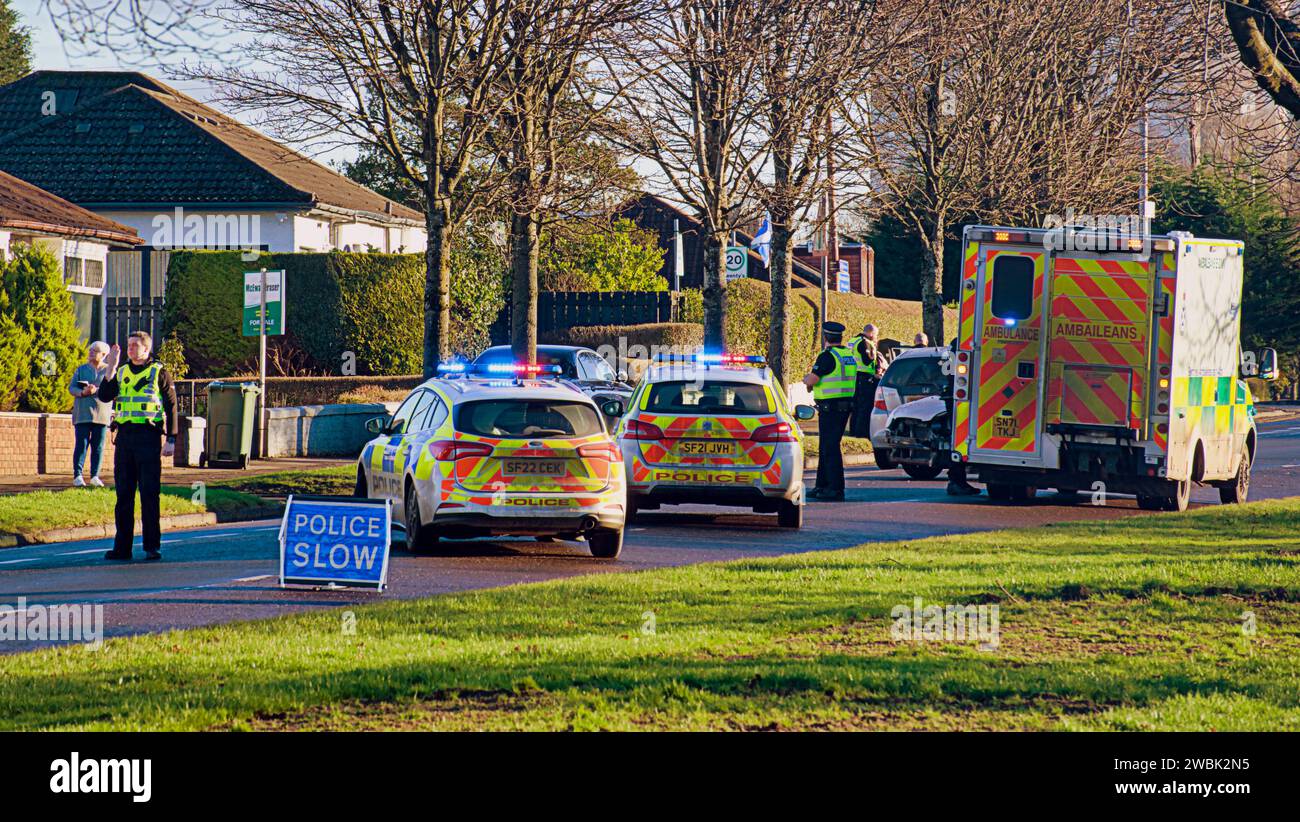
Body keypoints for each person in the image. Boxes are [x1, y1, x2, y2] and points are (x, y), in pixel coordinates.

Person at [96, 331, 178, 561]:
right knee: (123, 495)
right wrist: (110, 369)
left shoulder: (158, 371)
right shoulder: (121, 371)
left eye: (135, 345)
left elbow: (171, 405)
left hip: (149, 437)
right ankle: (122, 548)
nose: (130, 348)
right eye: (128, 345)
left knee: (149, 494)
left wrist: (171, 438)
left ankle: (152, 546)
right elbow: (104, 396)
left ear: (146, 349)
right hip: (125, 438)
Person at [802, 322, 857, 501]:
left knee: (830, 447)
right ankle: (822, 485)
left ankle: (835, 488)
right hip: (844, 407)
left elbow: (813, 378)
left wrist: (806, 380)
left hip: (831, 409)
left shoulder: (827, 356)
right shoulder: (848, 355)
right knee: (826, 446)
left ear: (826, 337)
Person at [68, 341, 113, 487]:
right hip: (82, 414)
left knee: (98, 446)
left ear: (104, 355)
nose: (91, 353)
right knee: (81, 444)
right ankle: (78, 475)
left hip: (102, 414)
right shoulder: (81, 369)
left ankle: (95, 476)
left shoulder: (109, 371)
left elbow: (114, 390)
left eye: (95, 351)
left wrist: (97, 390)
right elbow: (72, 388)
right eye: (91, 350)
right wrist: (83, 392)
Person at [847, 323, 885, 437]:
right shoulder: (865, 342)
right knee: (864, 407)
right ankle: (861, 433)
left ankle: (853, 431)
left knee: (856, 407)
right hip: (864, 378)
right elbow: (867, 360)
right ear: (871, 333)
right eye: (876, 335)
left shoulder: (853, 340)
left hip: (853, 377)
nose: (876, 337)